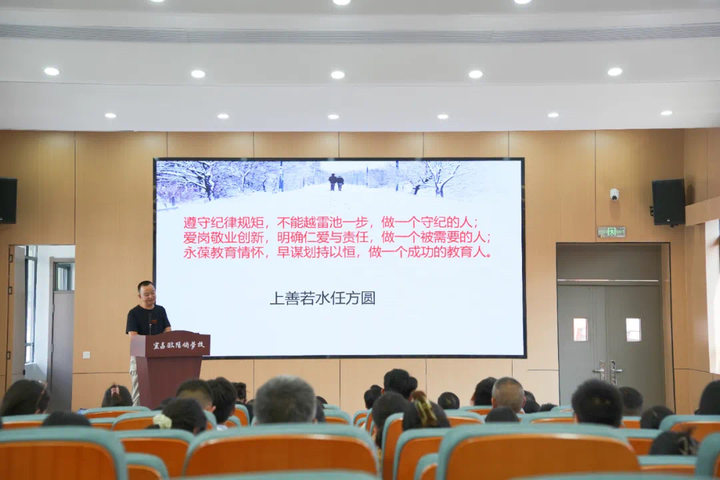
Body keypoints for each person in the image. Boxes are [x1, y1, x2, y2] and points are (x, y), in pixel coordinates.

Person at [126, 280, 171, 406]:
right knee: (139, 393)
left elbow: (168, 330)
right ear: (139, 296)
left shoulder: (161, 310)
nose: (151, 296)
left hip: (159, 357)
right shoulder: (133, 313)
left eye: (153, 293)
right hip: (139, 357)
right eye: (146, 294)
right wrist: (152, 343)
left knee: (160, 390)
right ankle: (136, 415)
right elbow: (133, 337)